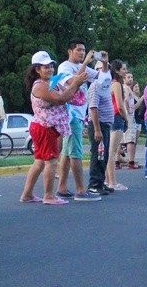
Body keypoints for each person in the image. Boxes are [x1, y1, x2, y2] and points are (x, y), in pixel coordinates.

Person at [19, 51, 89, 205]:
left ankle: (27, 194)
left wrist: (76, 83)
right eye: (45, 67)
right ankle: (49, 195)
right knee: (50, 161)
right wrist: (76, 83)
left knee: (39, 162)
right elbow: (60, 99)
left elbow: (70, 97)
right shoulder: (40, 86)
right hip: (45, 127)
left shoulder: (52, 82)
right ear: (37, 69)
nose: (50, 69)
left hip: (49, 127)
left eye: (51, 66)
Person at [54, 38, 104, 201]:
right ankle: (81, 190)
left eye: (84, 50)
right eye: (79, 50)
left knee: (68, 153)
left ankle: (62, 188)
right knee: (75, 152)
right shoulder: (64, 66)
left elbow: (102, 79)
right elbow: (73, 81)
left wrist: (105, 62)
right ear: (70, 51)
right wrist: (86, 63)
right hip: (71, 114)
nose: (82, 53)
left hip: (79, 114)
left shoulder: (83, 68)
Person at [87, 60, 115, 196]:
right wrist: (97, 129)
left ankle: (100, 181)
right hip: (99, 125)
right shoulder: (95, 86)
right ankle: (94, 184)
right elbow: (93, 107)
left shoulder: (105, 86)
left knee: (104, 155)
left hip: (105, 124)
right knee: (98, 155)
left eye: (105, 69)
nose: (103, 72)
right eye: (99, 69)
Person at [105, 59, 131, 191]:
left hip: (110, 117)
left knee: (109, 150)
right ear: (117, 70)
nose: (125, 71)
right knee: (112, 151)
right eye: (123, 69)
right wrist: (126, 119)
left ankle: (107, 179)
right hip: (117, 117)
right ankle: (112, 181)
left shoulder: (110, 83)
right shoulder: (117, 85)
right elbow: (120, 105)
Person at [119, 73, 142, 170]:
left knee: (120, 140)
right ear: (124, 79)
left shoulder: (121, 88)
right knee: (131, 140)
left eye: (131, 77)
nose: (131, 79)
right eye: (128, 77)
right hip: (129, 116)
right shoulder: (126, 88)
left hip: (123, 116)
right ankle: (131, 162)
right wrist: (128, 111)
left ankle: (117, 161)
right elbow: (126, 101)